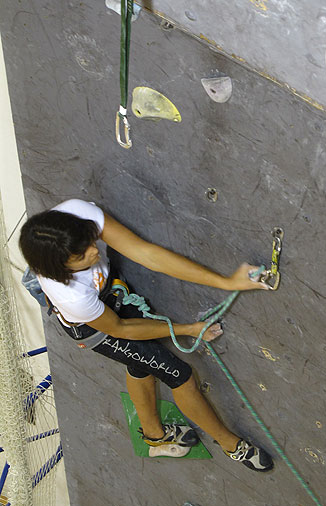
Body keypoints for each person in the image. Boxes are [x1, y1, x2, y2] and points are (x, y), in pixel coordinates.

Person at [19, 199, 273, 472]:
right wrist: (186, 329)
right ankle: (232, 446)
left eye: (90, 241)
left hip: (110, 293)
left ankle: (154, 436)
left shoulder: (77, 215)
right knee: (180, 376)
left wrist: (226, 281)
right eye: (82, 256)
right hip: (98, 328)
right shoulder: (72, 296)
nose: (95, 251)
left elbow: (147, 254)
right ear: (59, 268)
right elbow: (121, 330)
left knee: (141, 364)